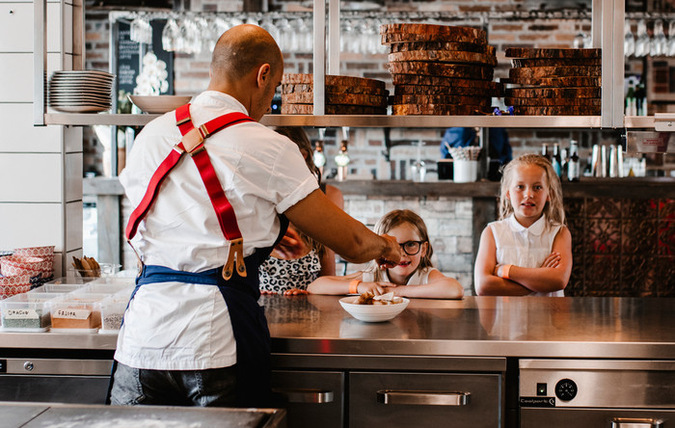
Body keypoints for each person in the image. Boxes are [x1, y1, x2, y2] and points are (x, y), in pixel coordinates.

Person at [110, 24, 401, 409]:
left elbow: (161, 232)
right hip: (213, 341)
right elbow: (355, 244)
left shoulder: (150, 136)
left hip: (141, 340)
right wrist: (389, 246)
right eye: (276, 86)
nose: (271, 100)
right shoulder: (268, 145)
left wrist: (259, 233)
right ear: (263, 75)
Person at [258, 127, 344, 295]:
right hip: (261, 313)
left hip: (309, 313)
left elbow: (329, 280)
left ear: (303, 156)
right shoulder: (259, 207)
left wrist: (309, 295)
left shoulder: (323, 208)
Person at [308, 209, 464, 299]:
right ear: (378, 248)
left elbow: (454, 289)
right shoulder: (373, 277)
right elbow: (316, 286)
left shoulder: (426, 275)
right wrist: (359, 287)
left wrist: (395, 291)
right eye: (394, 246)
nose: (402, 254)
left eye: (410, 245)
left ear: (423, 249)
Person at [474, 154, 572, 296]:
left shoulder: (560, 233)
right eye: (520, 186)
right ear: (508, 193)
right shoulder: (492, 232)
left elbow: (558, 280)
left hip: (548, 318)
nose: (528, 194)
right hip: (506, 318)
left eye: (537, 187)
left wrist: (507, 270)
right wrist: (541, 279)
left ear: (549, 194)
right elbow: (483, 286)